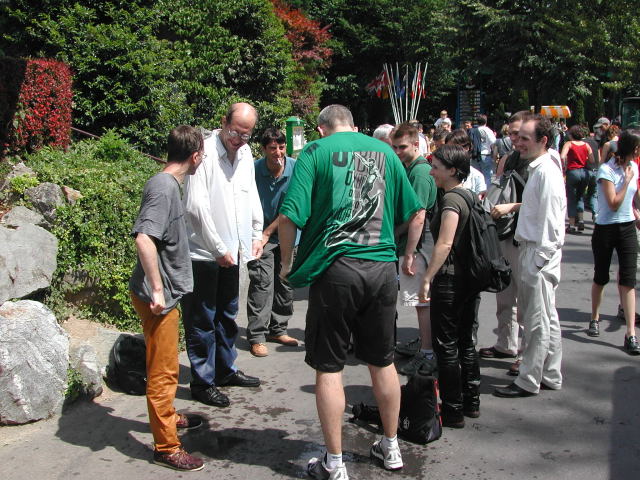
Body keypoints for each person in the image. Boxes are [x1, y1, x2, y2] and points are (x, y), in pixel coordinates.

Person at [278, 105, 424, 479]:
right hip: (381, 268)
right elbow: (413, 211)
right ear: (354, 126)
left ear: (321, 128)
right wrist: (396, 245)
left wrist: (286, 264)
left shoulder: (315, 151)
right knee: (383, 361)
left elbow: (290, 215)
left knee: (329, 366)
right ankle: (391, 447)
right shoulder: (386, 152)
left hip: (336, 268)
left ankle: (334, 463)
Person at [129, 125, 205, 471]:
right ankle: (166, 447)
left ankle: (169, 417)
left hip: (164, 294)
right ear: (195, 156)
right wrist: (158, 289)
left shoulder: (168, 183)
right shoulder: (163, 188)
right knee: (164, 373)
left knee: (167, 365)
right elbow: (144, 238)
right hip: (158, 298)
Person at [181, 102, 263, 408]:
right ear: (223, 122)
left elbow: (251, 194)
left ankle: (225, 369)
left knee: (228, 314)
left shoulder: (245, 153)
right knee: (202, 319)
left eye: (246, 134)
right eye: (235, 132)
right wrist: (217, 249)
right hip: (204, 253)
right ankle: (203, 382)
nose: (238, 139)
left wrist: (255, 234)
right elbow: (195, 206)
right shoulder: (202, 152)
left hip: (233, 250)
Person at [494, 114, 566, 398]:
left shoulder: (546, 171)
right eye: (517, 137)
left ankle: (529, 380)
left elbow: (551, 223)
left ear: (543, 140)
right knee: (546, 318)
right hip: (535, 251)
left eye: (525, 138)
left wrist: (537, 262)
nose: (518, 142)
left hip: (538, 252)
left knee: (536, 322)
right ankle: (550, 374)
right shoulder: (541, 168)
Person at [419, 144, 481, 428]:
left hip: (450, 280)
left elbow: (444, 243)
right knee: (466, 341)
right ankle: (471, 402)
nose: (431, 172)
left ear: (453, 170)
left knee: (446, 346)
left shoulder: (452, 201)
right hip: (470, 278)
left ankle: (453, 409)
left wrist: (428, 278)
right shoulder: (469, 195)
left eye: (436, 167)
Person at [480, 112, 529, 375]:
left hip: (527, 236)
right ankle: (505, 343)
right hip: (505, 231)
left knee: (525, 298)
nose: (515, 139)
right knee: (505, 290)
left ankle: (525, 353)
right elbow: (497, 188)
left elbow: (543, 202)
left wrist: (513, 206)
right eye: (511, 134)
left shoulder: (542, 162)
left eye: (520, 135)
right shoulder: (509, 158)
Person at [390, 123, 438, 376]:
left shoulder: (419, 172)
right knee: (422, 301)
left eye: (402, 147)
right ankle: (426, 345)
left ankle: (428, 352)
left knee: (422, 302)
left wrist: (408, 252)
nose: (397, 152)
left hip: (420, 246)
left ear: (416, 145)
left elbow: (418, 215)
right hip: (417, 244)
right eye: (395, 147)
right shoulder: (412, 168)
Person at [246, 128, 298, 357]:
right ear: (263, 149)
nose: (278, 152)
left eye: (281, 147)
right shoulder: (253, 170)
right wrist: (260, 233)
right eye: (272, 148)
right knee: (262, 283)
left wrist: (269, 231)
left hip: (287, 233)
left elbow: (291, 207)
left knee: (285, 282)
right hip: (260, 236)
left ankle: (279, 329)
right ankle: (257, 336)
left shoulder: (295, 168)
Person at [588, 130, 640, 355]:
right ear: (633, 148)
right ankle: (594, 318)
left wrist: (637, 211)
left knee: (628, 280)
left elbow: (634, 196)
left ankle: (631, 333)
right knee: (601, 276)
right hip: (606, 229)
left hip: (628, 228)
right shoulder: (606, 170)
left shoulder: (634, 166)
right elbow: (613, 203)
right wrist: (625, 181)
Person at [561, 125, 594, 233]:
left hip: (573, 172)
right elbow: (592, 160)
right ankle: (581, 220)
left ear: (571, 134)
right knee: (580, 196)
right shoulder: (586, 145)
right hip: (584, 172)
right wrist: (583, 158)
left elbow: (562, 156)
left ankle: (571, 225)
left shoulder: (569, 144)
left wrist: (564, 166)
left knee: (571, 198)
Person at [445, 129, 487, 198]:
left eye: (454, 148)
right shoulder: (441, 172)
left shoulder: (476, 176)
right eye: (447, 148)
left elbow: (479, 201)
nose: (449, 152)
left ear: (467, 148)